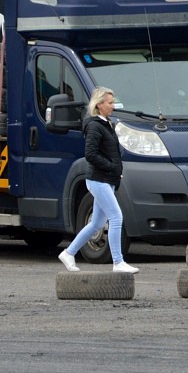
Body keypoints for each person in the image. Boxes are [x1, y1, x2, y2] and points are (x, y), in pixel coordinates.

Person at [58, 87, 139, 274]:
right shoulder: (95, 126)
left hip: (106, 180)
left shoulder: (106, 123)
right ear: (99, 104)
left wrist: (115, 171)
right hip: (98, 180)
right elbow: (91, 154)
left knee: (96, 224)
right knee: (117, 217)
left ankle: (68, 253)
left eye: (113, 102)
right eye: (110, 103)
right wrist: (111, 167)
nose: (113, 106)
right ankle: (118, 262)